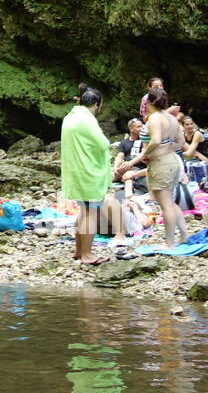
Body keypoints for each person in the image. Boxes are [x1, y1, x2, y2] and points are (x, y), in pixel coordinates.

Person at [59, 87, 113, 265]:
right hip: (87, 172)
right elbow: (102, 143)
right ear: (97, 104)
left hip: (75, 171)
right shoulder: (86, 119)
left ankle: (78, 250)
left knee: (83, 212)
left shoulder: (71, 116)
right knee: (90, 214)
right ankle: (87, 254)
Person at [133, 87, 188, 247]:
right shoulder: (172, 118)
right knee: (168, 201)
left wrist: (145, 154)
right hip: (173, 160)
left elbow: (155, 140)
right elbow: (181, 143)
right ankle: (183, 234)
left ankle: (169, 243)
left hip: (161, 163)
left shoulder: (155, 118)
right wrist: (168, 148)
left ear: (149, 102)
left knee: (165, 205)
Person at [113, 118, 147, 197]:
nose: (141, 128)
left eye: (142, 126)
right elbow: (119, 156)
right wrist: (116, 168)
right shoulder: (124, 142)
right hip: (125, 167)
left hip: (137, 168)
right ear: (131, 128)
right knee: (111, 174)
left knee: (128, 175)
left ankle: (129, 197)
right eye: (138, 127)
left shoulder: (144, 140)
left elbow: (143, 154)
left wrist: (130, 163)